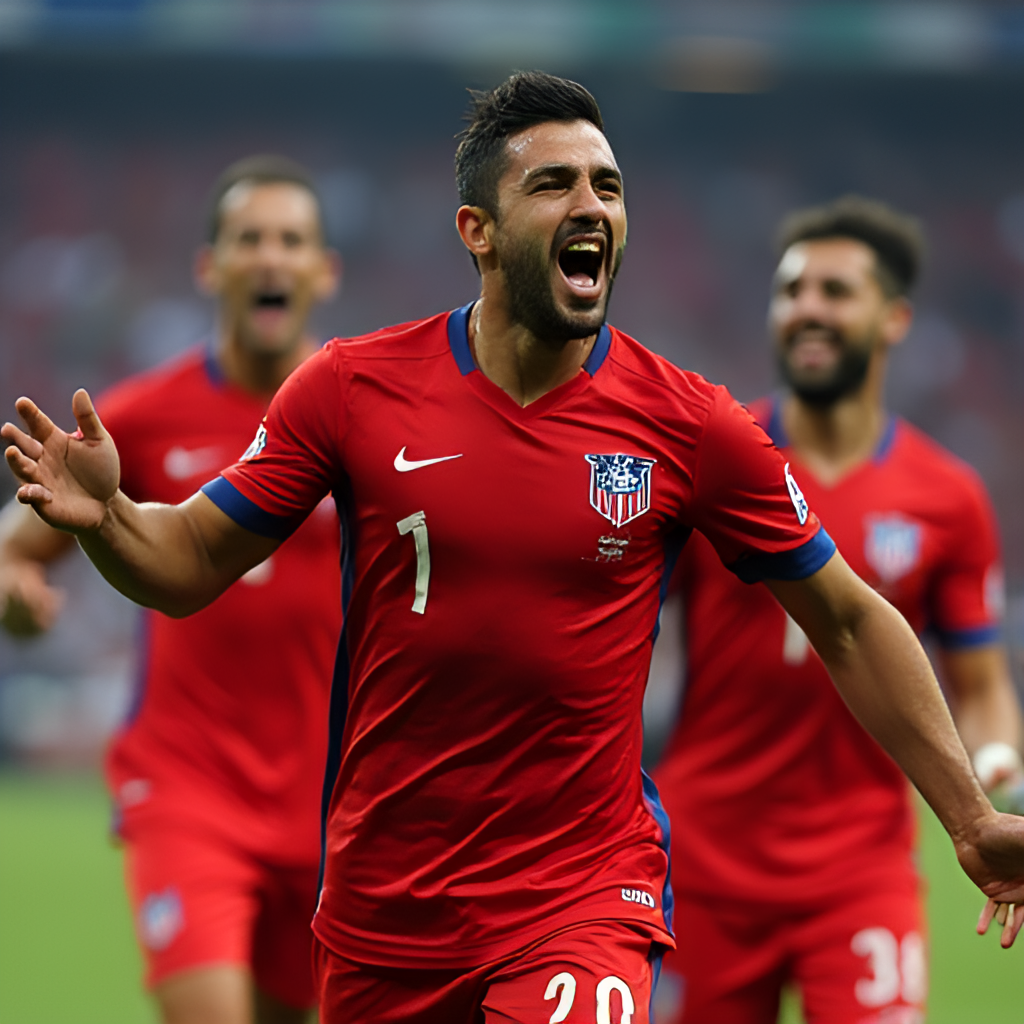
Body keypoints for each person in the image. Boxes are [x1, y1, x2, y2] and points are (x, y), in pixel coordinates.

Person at [5, 73, 1024, 1024]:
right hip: (384, 906)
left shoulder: (692, 424)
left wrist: (971, 820)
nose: (592, 205)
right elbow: (187, 561)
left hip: (581, 896)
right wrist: (110, 521)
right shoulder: (351, 388)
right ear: (478, 232)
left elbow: (847, 618)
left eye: (609, 186)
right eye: (554, 184)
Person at [650, 195, 1024, 1024]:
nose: (808, 308)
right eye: (792, 290)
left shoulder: (947, 496)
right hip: (704, 860)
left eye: (835, 290)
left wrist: (994, 756)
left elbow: (984, 678)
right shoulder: (711, 458)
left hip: (861, 870)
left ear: (894, 319)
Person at [0, 154, 342, 1024]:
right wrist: (17, 593)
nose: (271, 257)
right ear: (210, 266)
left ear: (323, 270)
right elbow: (21, 543)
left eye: (291, 240)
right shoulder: (146, 414)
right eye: (249, 239)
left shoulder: (364, 416)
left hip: (329, 805)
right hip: (189, 789)